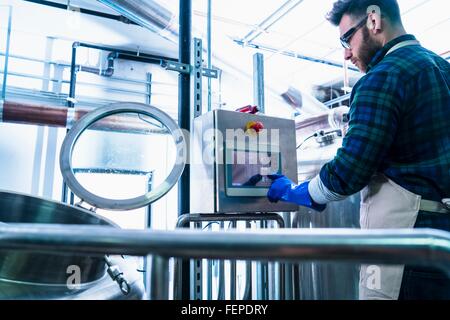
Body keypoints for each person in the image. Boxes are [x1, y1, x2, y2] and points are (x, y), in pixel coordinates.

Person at [267, 0, 450, 300]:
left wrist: (299, 192)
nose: (346, 53)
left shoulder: (382, 76)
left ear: (374, 20)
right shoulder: (442, 68)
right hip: (441, 241)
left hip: (404, 247)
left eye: (347, 38)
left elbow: (348, 172)